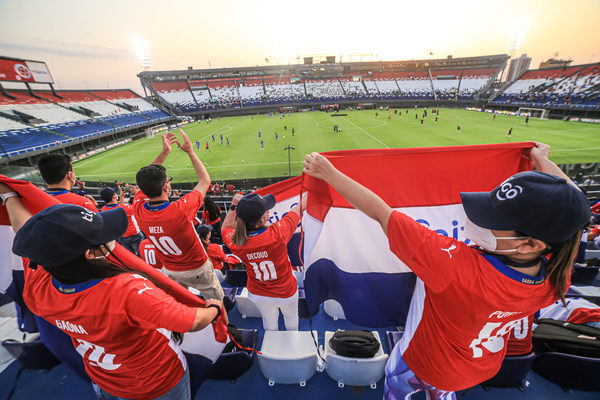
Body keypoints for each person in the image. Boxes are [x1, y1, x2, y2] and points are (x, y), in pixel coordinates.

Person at [302, 142, 590, 400]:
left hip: (426, 364)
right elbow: (577, 205)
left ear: (529, 244)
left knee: (395, 381)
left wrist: (330, 174)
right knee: (443, 390)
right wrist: (544, 165)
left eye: (494, 219)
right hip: (481, 364)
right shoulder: (557, 273)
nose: (479, 220)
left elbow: (380, 213)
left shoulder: (456, 267)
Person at [0, 192, 224, 400]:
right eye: (101, 235)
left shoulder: (38, 286)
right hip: (155, 382)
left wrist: (10, 196)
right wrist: (213, 308)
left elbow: (24, 229)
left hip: (104, 378)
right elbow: (192, 321)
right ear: (90, 253)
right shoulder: (126, 291)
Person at [133, 130, 224, 301]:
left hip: (170, 270)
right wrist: (190, 152)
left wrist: (164, 153)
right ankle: (222, 324)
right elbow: (205, 180)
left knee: (180, 303)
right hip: (197, 268)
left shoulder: (138, 208)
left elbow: (144, 183)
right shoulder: (180, 210)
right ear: (166, 187)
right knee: (216, 301)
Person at [221, 192, 306, 331]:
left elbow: (225, 228)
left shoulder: (235, 241)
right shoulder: (277, 233)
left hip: (258, 293)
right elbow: (300, 207)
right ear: (264, 217)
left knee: (268, 320)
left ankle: (272, 345)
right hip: (285, 291)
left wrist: (234, 206)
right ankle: (292, 344)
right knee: (291, 318)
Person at [101, 187, 145, 256]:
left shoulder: (104, 209)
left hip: (121, 236)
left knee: (131, 256)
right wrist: (137, 193)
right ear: (114, 196)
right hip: (134, 235)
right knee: (142, 254)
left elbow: (120, 207)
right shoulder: (126, 209)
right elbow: (138, 206)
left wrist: (122, 196)